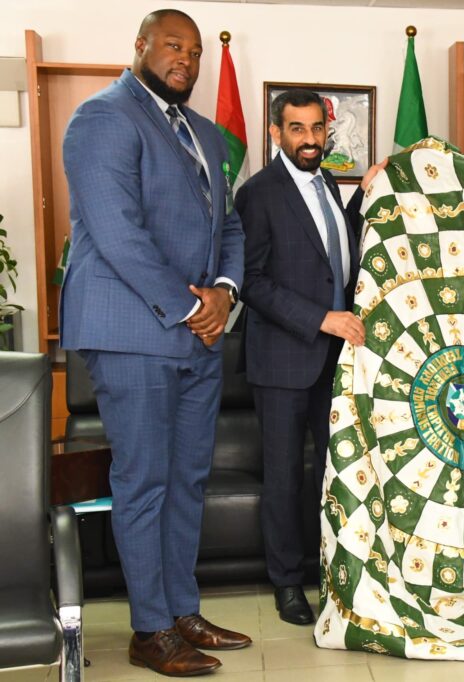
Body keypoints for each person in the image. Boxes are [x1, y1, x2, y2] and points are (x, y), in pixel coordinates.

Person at [61, 9, 250, 676]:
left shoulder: (203, 133)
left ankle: (179, 610)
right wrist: (189, 306)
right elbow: (116, 232)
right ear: (140, 46)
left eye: (195, 52)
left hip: (197, 335)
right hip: (132, 330)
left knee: (187, 479)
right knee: (144, 482)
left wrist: (224, 292)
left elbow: (229, 225)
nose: (186, 61)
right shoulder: (102, 117)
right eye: (173, 46)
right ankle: (148, 630)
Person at [236, 89, 382, 624]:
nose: (310, 139)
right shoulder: (259, 193)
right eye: (297, 129)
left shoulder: (324, 182)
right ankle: (287, 583)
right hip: (282, 360)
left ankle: (330, 572)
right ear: (276, 133)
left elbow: (331, 252)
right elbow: (251, 281)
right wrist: (321, 318)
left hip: (335, 360)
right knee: (285, 477)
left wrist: (363, 196)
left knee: (332, 473)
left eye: (318, 128)